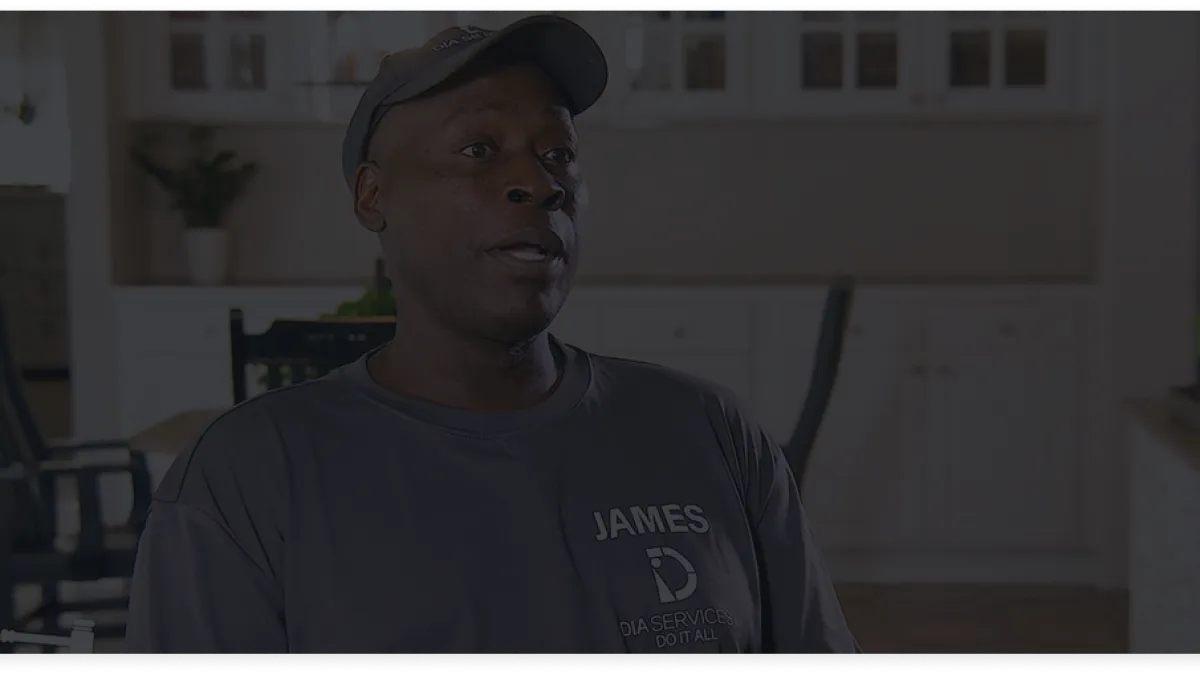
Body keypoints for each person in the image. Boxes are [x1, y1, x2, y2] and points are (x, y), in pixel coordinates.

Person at [124, 15, 859, 655]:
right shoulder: (240, 482)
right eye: (479, 148)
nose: (541, 183)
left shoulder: (712, 434)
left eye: (558, 153)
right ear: (373, 196)